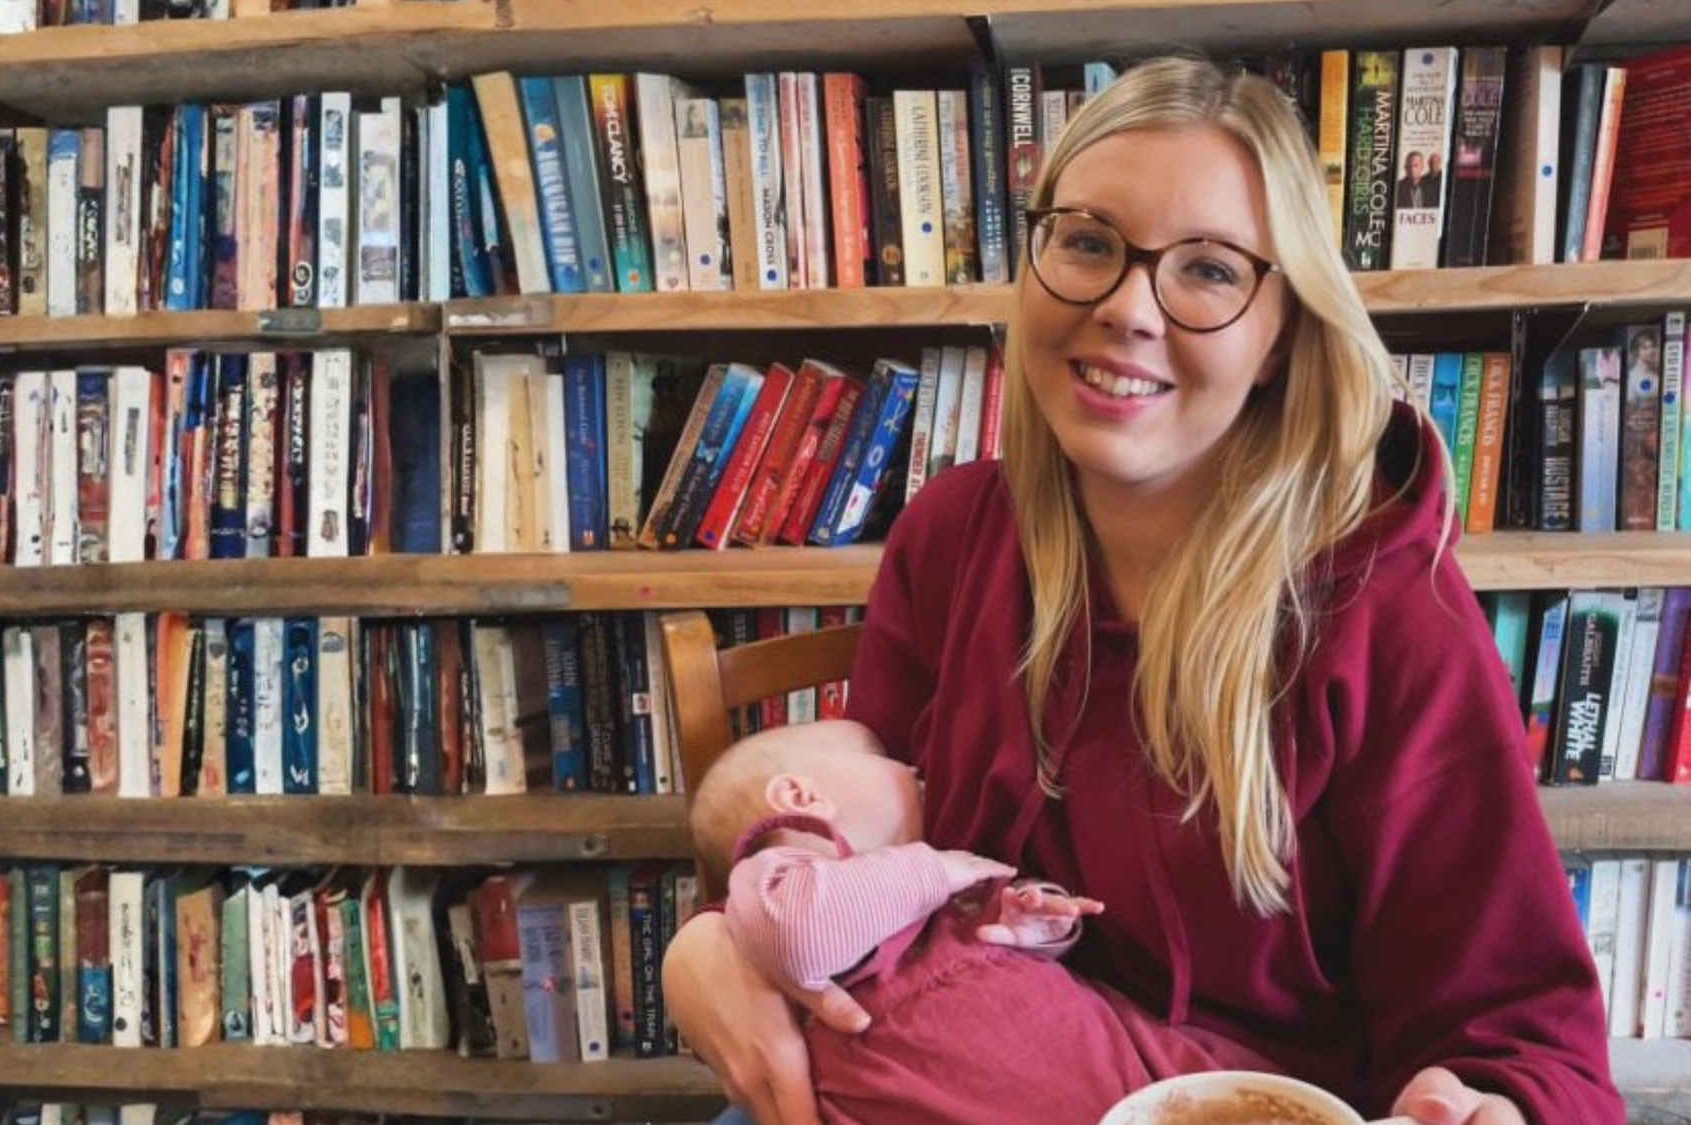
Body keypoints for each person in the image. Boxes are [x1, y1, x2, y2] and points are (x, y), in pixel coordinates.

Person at [662, 56, 1619, 1125]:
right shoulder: (947, 539)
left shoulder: (1387, 614)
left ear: (1280, 337)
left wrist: (1492, 1105)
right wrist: (706, 944)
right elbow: (827, 851)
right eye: (1086, 242)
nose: (1126, 307)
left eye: (1207, 269)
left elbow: (1531, 1047)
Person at [690, 719, 1280, 1125]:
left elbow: (987, 951)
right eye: (889, 760)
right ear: (800, 796)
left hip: (1100, 1056)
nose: (917, 770)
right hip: (943, 1085)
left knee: (1228, 1079)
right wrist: (939, 869)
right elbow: (801, 936)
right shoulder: (772, 877)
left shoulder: (922, 897)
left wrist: (1027, 924)